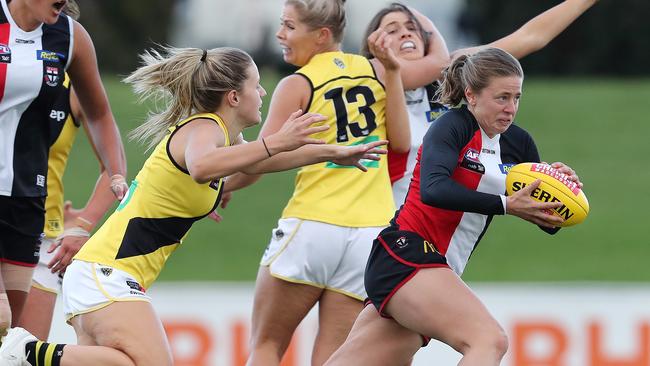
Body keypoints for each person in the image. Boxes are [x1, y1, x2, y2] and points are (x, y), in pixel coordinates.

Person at [0, 45, 389, 366]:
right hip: (107, 273)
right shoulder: (204, 128)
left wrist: (329, 154)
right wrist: (277, 140)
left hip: (102, 274)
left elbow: (261, 162)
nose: (264, 93)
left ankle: (30, 353)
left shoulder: (221, 136)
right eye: (257, 86)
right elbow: (204, 167)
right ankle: (26, 350)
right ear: (233, 97)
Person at [324, 48, 583, 366]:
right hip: (406, 254)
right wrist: (504, 204)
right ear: (471, 95)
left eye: (516, 97)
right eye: (501, 97)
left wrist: (559, 192)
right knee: (489, 340)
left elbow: (546, 221)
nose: (510, 108)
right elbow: (434, 190)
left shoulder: (519, 143)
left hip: (436, 271)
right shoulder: (453, 126)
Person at [237, 1, 446, 364]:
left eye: (289, 26)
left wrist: (222, 187)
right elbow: (404, 134)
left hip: (312, 225)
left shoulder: (297, 84)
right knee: (334, 357)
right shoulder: (379, 71)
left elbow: (259, 159)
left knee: (267, 345)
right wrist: (419, 22)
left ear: (321, 35)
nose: (280, 35)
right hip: (368, 236)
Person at [359, 0, 597, 207]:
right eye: (391, 30)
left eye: (413, 28)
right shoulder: (362, 89)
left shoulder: (448, 75)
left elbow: (529, 37)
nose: (405, 33)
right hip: (384, 225)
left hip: (442, 229)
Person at [0, 0, 127, 338]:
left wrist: (83, 223)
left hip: (33, 215)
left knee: (16, 346)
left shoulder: (69, 42)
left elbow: (102, 118)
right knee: (1, 318)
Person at [15, 75, 117, 340]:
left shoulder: (74, 86)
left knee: (23, 355)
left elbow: (114, 171)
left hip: (40, 241)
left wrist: (81, 226)